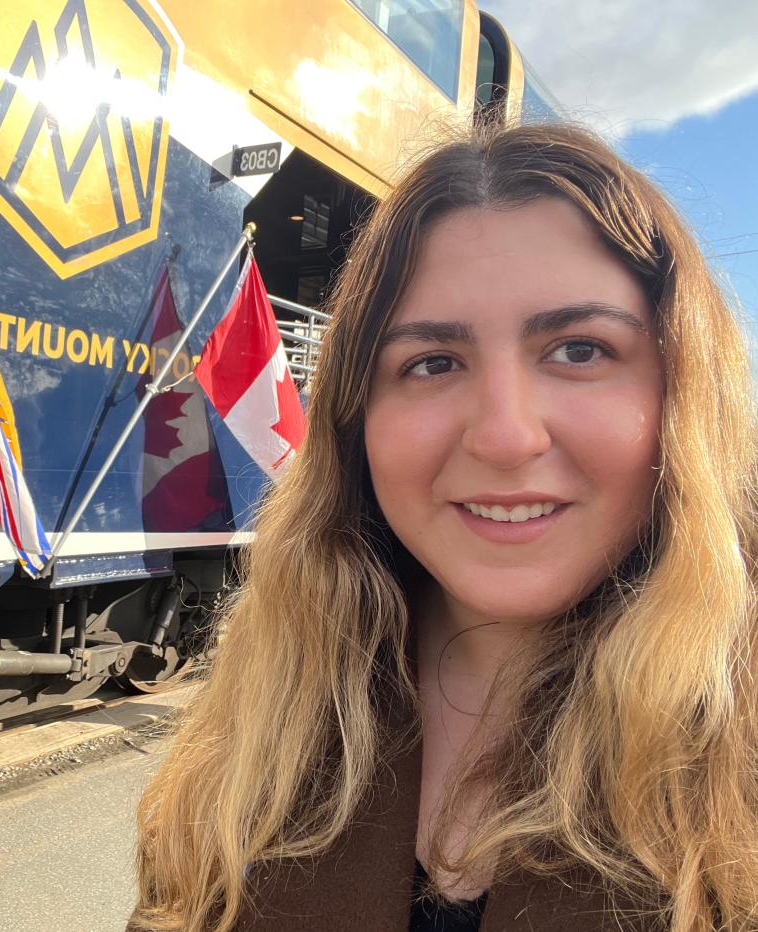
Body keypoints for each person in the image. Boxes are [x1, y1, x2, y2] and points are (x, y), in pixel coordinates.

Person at [130, 123, 758, 932]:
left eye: (578, 349)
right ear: (359, 421)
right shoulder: (273, 706)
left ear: (683, 393)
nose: (504, 436)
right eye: (432, 363)